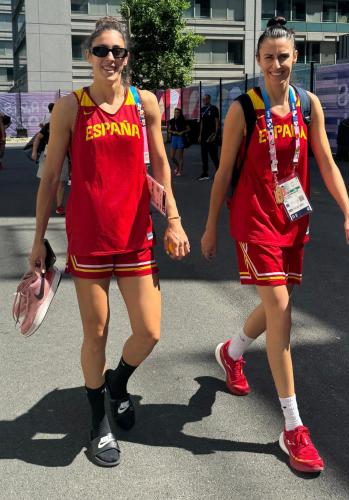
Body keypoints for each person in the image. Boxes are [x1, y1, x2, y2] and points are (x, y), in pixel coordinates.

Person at [201, 17, 349, 474]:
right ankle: (293, 427)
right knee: (281, 311)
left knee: (279, 303)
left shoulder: (307, 104)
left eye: (284, 56)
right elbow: (223, 172)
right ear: (258, 61)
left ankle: (231, 352)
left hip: (292, 221)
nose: (277, 64)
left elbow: (326, 162)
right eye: (269, 57)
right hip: (254, 223)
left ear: (296, 57)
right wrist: (211, 226)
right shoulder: (243, 110)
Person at [28, 16, 190, 468]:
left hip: (136, 236)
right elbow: (50, 178)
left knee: (149, 331)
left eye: (118, 51)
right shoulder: (71, 107)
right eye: (101, 50)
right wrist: (38, 240)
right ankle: (98, 419)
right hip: (90, 238)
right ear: (88, 56)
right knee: (96, 332)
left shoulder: (144, 103)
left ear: (127, 56)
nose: (110, 58)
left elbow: (161, 165)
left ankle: (117, 384)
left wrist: (174, 221)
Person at [32, 108, 69, 216]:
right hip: (47, 155)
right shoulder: (48, 126)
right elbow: (38, 138)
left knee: (62, 182)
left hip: (63, 155)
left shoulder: (68, 127)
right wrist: (34, 152)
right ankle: (43, 206)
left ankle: (59, 206)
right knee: (45, 182)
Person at [197, 94, 219, 180]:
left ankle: (219, 172)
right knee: (204, 155)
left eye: (206, 99)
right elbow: (202, 123)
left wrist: (215, 134)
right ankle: (205, 174)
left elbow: (216, 122)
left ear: (209, 99)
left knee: (213, 156)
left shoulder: (214, 108)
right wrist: (200, 135)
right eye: (203, 99)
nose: (204, 101)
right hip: (203, 136)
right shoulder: (202, 109)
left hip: (211, 135)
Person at [167, 107, 190, 176]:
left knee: (180, 156)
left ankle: (179, 171)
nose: (176, 113)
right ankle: (178, 166)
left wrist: (182, 132)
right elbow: (169, 130)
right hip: (174, 138)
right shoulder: (171, 120)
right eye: (175, 112)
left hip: (180, 138)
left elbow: (188, 129)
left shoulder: (183, 120)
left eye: (177, 112)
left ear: (180, 113)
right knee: (172, 156)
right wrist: (173, 132)